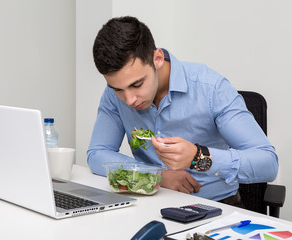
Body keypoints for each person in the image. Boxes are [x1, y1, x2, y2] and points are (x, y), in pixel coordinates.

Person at [87, 16, 278, 205]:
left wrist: (198, 158)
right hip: (147, 206)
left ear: (158, 59)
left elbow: (268, 163)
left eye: (137, 84)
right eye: (118, 89)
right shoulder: (113, 94)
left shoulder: (211, 89)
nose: (129, 99)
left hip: (215, 208)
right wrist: (157, 176)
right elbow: (97, 153)